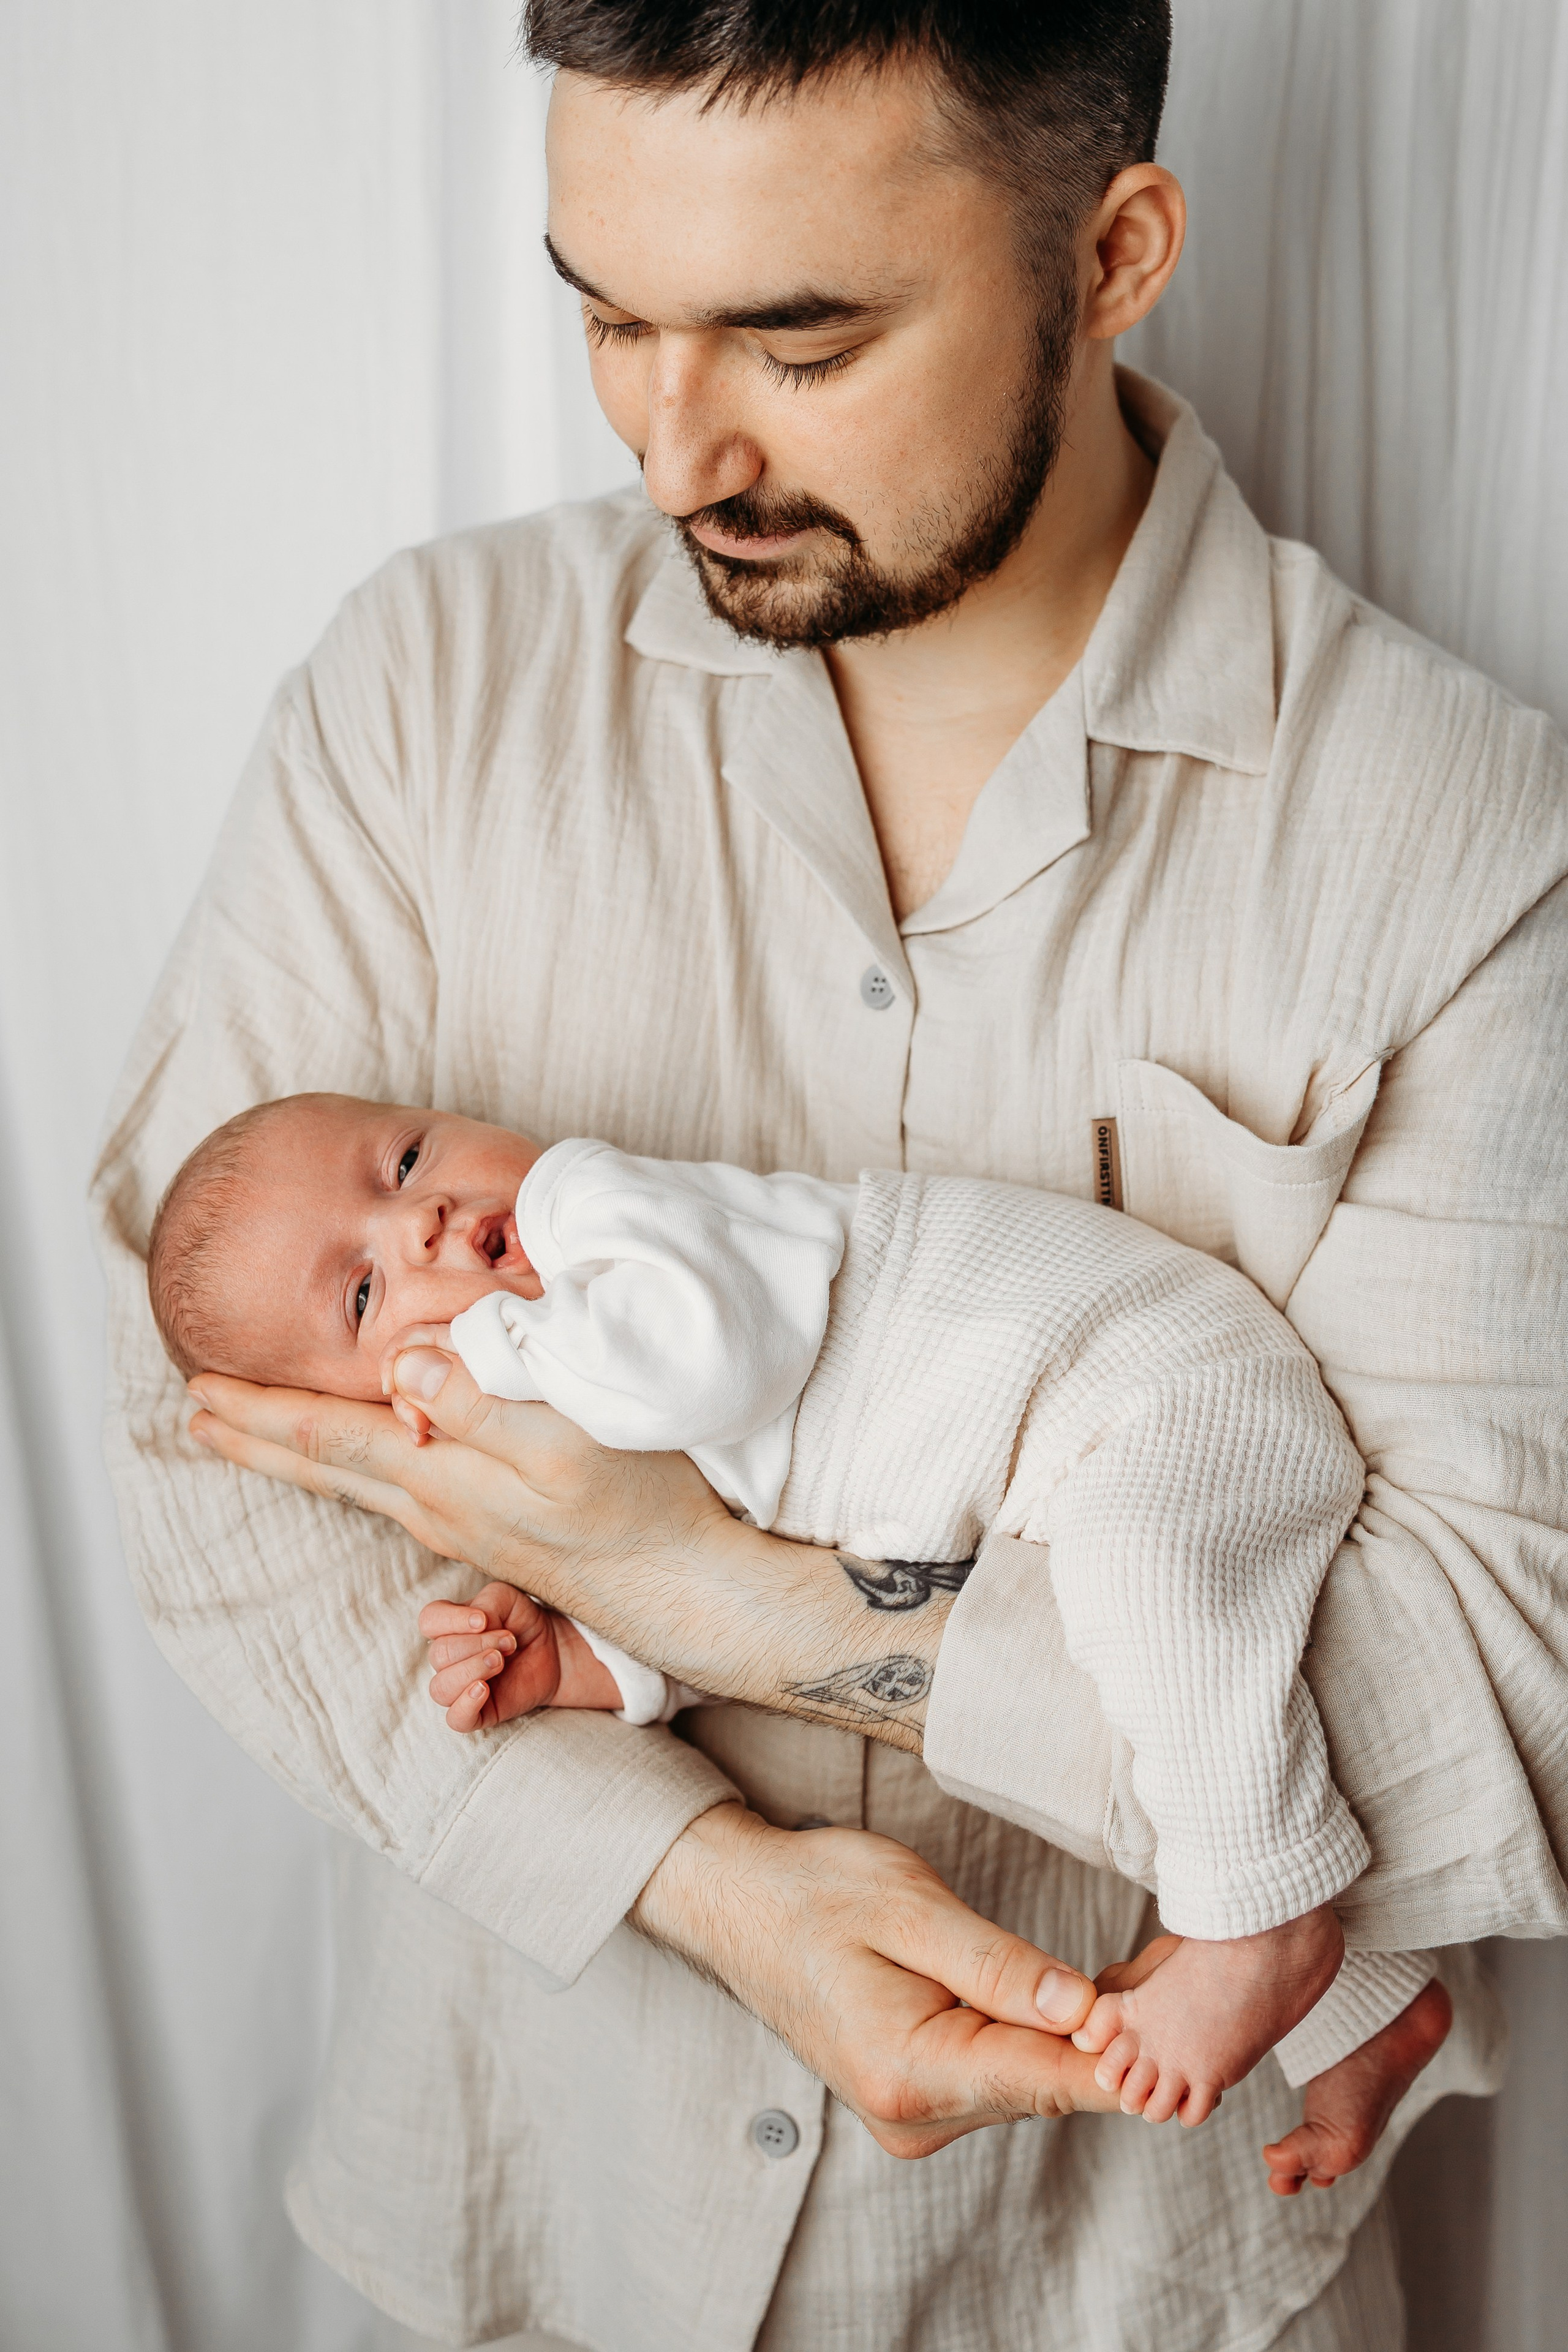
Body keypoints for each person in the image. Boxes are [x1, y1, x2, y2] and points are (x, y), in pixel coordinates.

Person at [91, 4, 1567, 2345]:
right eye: (605, 312)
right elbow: (209, 1450)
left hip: (1138, 2270)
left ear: (1115, 253)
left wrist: (743, 1603)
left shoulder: (1454, 837)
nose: (679, 446)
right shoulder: (424, 691)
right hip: (529, 2230)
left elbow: (1495, 1671)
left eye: (802, 335)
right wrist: (708, 1883)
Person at [142, 1085, 1453, 2169]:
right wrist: (582, 1649)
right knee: (1118, 1706)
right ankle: (1365, 2009)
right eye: (363, 1294)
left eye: (405, 1156)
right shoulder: (579, 1369)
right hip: (1060, 1485)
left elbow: (712, 1371)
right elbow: (707, 1547)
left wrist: (489, 1366)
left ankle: (1266, 1927)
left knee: (1158, 1619)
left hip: (1153, 1385)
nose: (420, 1217)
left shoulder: (606, 1214)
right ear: (381, 1414)